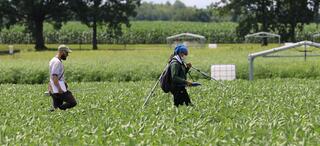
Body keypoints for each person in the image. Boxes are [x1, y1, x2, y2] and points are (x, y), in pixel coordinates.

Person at [48, 45, 77, 111]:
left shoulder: (53, 60)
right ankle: (58, 109)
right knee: (72, 102)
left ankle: (54, 111)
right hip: (58, 88)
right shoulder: (57, 62)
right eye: (66, 53)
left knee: (56, 109)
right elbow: (54, 76)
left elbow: (51, 76)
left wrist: (50, 87)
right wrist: (59, 88)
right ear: (61, 52)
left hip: (54, 88)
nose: (67, 55)